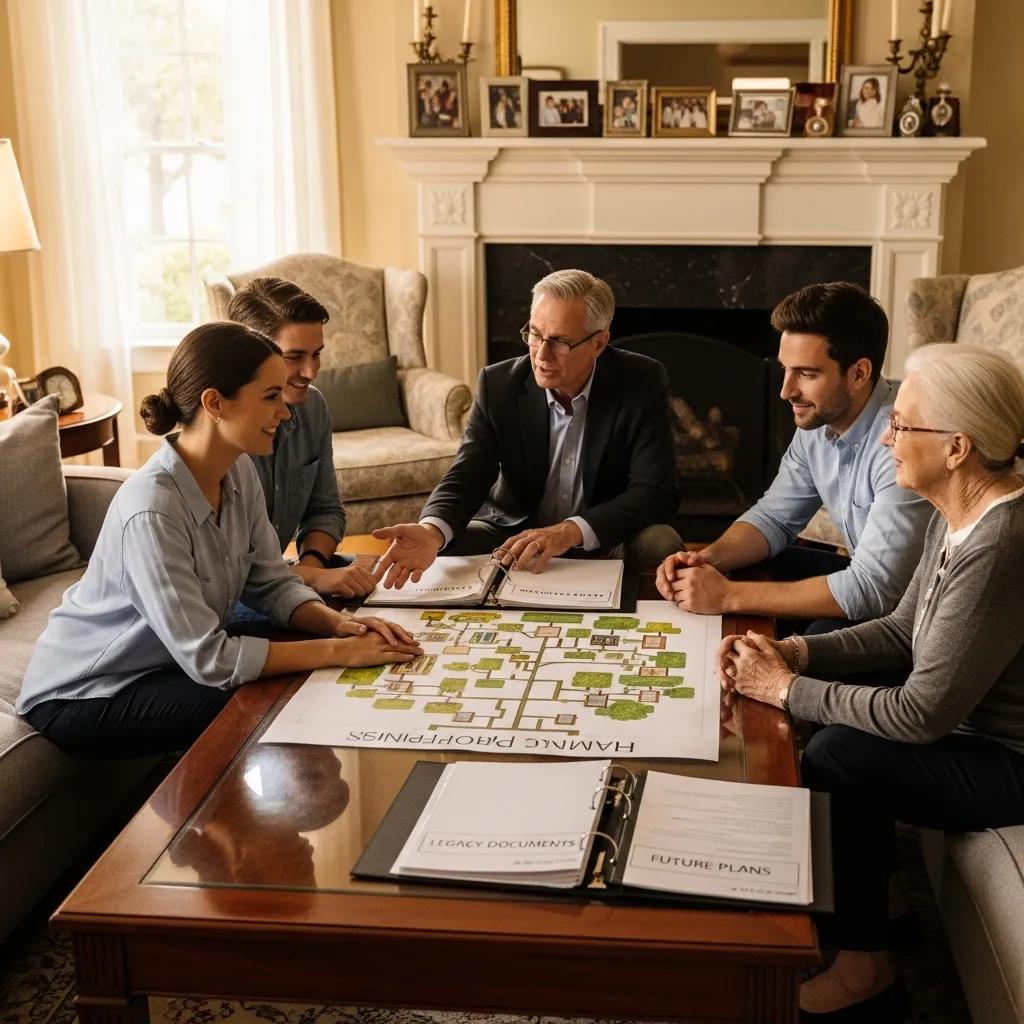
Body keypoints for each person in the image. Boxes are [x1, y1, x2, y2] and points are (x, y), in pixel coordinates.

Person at [716, 343, 1024, 1022]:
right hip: (971, 728)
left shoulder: (1001, 545)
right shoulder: (959, 514)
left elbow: (920, 717)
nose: (884, 436)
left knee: (840, 753)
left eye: (903, 425)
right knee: (838, 699)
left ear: (957, 448)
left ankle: (865, 973)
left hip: (1013, 763)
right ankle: (878, 908)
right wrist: (791, 651)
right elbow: (900, 633)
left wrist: (784, 690)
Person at [16, 323, 421, 757]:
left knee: (297, 646)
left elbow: (271, 582)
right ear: (215, 403)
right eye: (270, 396)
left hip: (165, 659)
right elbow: (210, 659)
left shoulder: (238, 469)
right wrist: (340, 651)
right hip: (89, 691)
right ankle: (217, 822)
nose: (285, 412)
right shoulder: (152, 510)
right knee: (266, 695)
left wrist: (340, 625)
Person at [372, 269, 682, 588]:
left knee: (661, 542)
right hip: (514, 534)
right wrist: (430, 531)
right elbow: (468, 472)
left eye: (560, 341)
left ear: (599, 343)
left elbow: (656, 492)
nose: (542, 355)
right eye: (535, 334)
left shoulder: (641, 381)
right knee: (448, 543)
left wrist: (571, 531)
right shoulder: (499, 384)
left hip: (604, 537)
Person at [656, 282, 932, 633]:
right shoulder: (820, 419)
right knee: (747, 565)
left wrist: (727, 596)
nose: (786, 391)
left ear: (859, 372)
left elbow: (873, 590)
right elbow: (775, 517)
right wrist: (706, 560)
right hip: (866, 578)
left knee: (815, 636)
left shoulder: (903, 439)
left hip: (911, 613)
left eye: (807, 373)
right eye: (786, 369)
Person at [227, 277, 375, 601]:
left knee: (375, 581)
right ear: (250, 354)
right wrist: (309, 580)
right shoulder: (222, 433)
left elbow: (325, 510)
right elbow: (228, 574)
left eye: (316, 354)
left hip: (283, 575)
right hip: (234, 594)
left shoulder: (314, 407)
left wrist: (312, 570)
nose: (311, 371)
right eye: (294, 357)